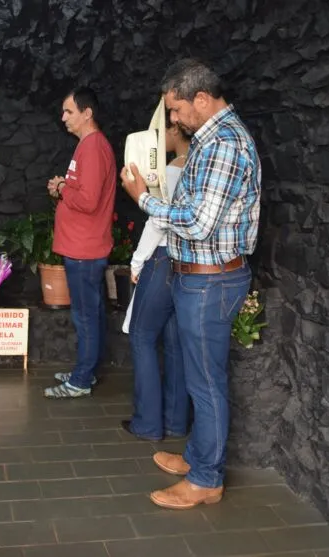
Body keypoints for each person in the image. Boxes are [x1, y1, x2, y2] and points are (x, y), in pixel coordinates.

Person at [121, 59, 261, 509]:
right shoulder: (209, 138)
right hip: (200, 279)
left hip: (211, 282)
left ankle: (206, 480)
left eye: (176, 110)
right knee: (204, 378)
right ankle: (200, 457)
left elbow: (199, 223)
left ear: (201, 99)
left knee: (206, 384)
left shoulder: (224, 143)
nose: (173, 121)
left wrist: (142, 198)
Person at [122, 109, 192, 441]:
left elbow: (158, 222)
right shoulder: (199, 166)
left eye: (162, 128)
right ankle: (176, 422)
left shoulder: (172, 171)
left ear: (176, 129)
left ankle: (148, 423)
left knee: (142, 336)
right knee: (176, 342)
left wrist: (137, 262)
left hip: (163, 258)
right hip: (191, 264)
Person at [44, 86, 117, 399]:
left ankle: (81, 381)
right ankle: (87, 370)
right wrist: (64, 186)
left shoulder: (93, 147)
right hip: (83, 247)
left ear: (87, 113)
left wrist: (62, 189)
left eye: (69, 111)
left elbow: (88, 201)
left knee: (86, 317)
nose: (63, 118)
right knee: (92, 314)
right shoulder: (88, 146)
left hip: (84, 250)